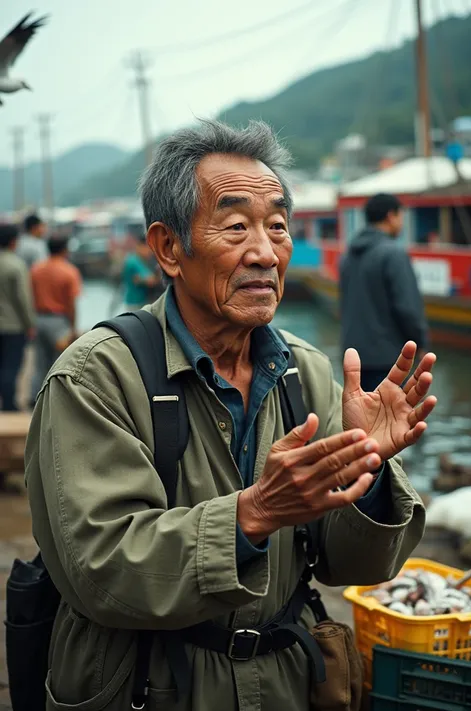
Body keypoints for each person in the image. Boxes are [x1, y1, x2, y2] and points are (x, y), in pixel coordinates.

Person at [25, 121, 437, 711]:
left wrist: (363, 476)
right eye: (237, 225)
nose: (266, 252)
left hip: (286, 682)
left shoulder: (307, 371)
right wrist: (257, 513)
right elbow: (100, 572)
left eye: (277, 226)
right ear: (169, 248)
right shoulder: (95, 378)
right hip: (146, 683)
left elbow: (349, 566)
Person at [340, 192, 429, 393]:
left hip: (354, 357)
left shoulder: (348, 255)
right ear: (391, 216)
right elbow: (407, 308)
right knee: (393, 419)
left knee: (362, 419)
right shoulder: (393, 253)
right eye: (401, 217)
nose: (402, 224)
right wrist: (420, 343)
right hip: (390, 360)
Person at [29, 235, 82, 403]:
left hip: (39, 319)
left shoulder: (36, 269)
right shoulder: (69, 271)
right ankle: (55, 400)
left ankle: (34, 398)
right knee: (60, 362)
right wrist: (73, 327)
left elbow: (29, 295)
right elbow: (71, 303)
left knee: (39, 362)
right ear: (65, 250)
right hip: (59, 321)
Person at [0, 224, 35, 411]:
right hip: (13, 325)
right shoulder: (16, 265)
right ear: (14, 241)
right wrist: (30, 324)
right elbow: (23, 299)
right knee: (10, 367)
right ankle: (8, 405)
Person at [122, 234, 159, 310]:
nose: (150, 251)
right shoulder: (134, 261)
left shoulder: (138, 260)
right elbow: (151, 281)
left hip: (138, 302)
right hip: (136, 304)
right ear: (139, 246)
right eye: (147, 248)